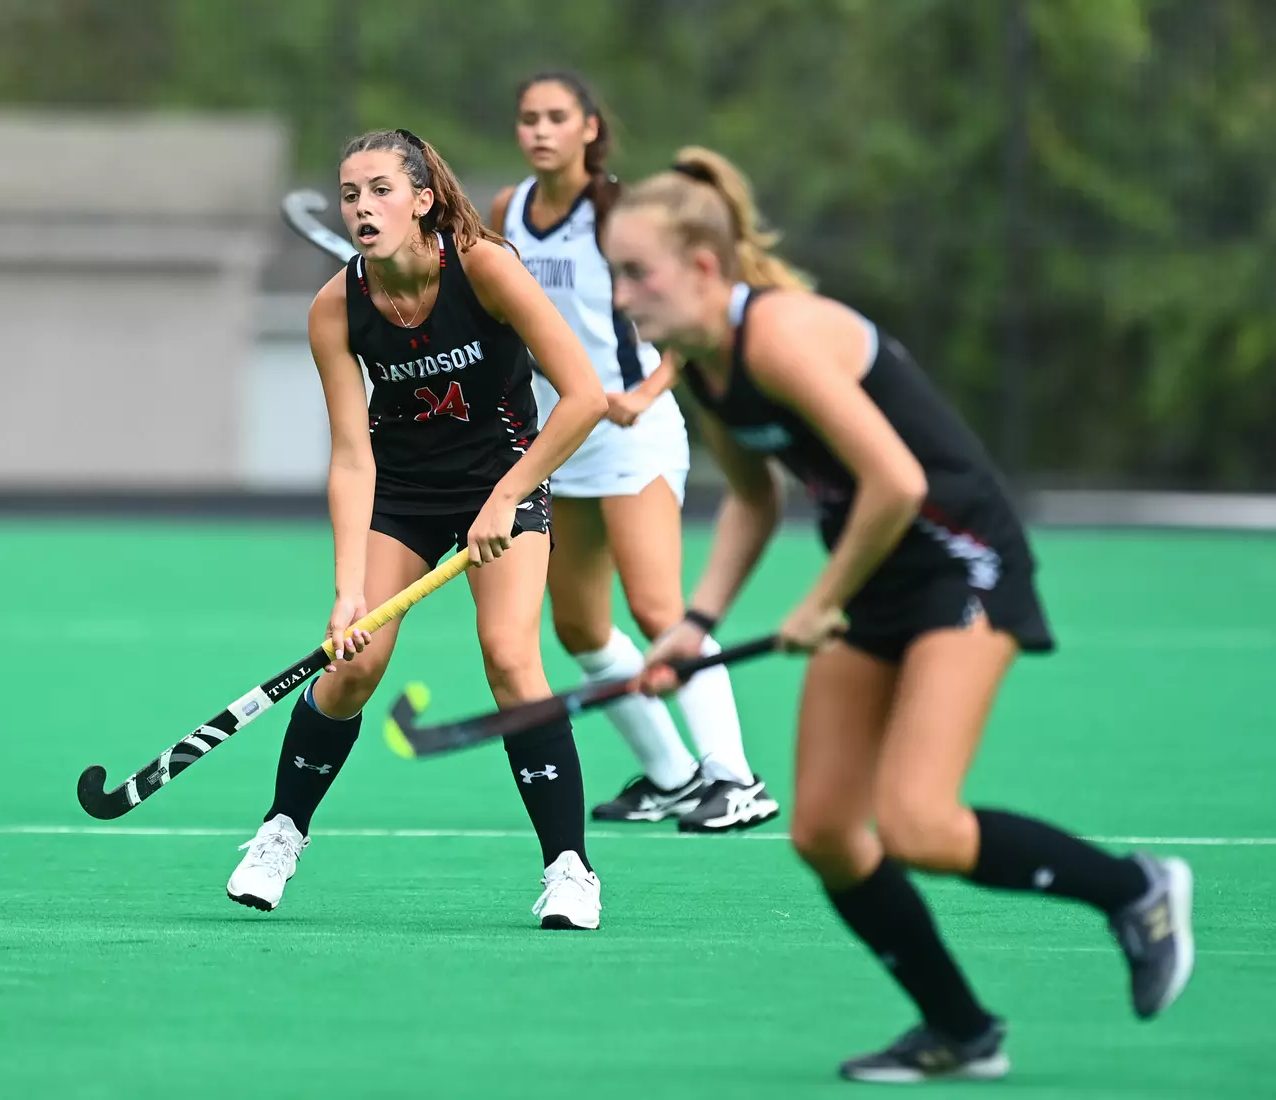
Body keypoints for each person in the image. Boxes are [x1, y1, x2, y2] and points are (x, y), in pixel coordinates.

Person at [609, 146, 1195, 1081]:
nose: (625, 293)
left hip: (960, 562)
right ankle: (961, 1032)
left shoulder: (782, 338)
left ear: (705, 267)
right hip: (877, 570)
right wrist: (694, 621)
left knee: (920, 823)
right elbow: (757, 500)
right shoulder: (703, 364)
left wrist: (818, 603)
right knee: (828, 833)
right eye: (617, 273)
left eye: (637, 272)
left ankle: (1138, 890)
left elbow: (898, 480)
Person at [226, 128, 610, 930]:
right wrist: (346, 593)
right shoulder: (336, 308)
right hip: (401, 493)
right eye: (350, 194)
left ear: (423, 199)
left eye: (380, 191)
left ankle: (570, 869)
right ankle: (280, 832)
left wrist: (507, 495)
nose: (363, 208)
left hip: (503, 479)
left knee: (511, 656)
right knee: (357, 667)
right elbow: (350, 458)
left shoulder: (486, 268)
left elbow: (583, 397)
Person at [488, 70, 778, 833]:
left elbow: (689, 307)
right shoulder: (507, 211)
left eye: (556, 117)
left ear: (589, 127)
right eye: (528, 119)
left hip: (632, 430)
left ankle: (735, 777)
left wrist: (647, 394)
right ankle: (673, 777)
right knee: (580, 627)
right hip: (562, 436)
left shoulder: (618, 210)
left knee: (657, 607)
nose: (540, 131)